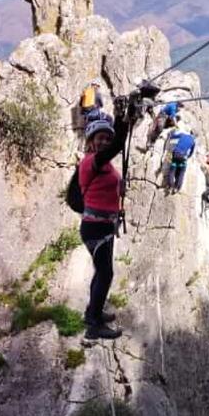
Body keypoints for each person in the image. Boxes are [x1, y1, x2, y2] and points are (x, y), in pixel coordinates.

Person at [79, 105, 129, 341]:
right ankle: (94, 325)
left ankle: (92, 313)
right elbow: (117, 145)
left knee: (102, 272)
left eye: (107, 138)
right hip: (96, 226)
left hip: (102, 225)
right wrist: (122, 119)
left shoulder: (103, 164)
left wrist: (117, 189)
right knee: (106, 274)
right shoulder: (93, 161)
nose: (104, 141)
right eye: (100, 138)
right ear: (91, 141)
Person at [166, 128, 195, 193]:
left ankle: (170, 186)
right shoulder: (193, 142)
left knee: (172, 170)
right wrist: (187, 157)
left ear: (190, 132)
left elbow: (173, 136)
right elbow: (191, 153)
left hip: (176, 154)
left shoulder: (183, 135)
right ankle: (177, 188)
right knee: (182, 172)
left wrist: (171, 132)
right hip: (183, 157)